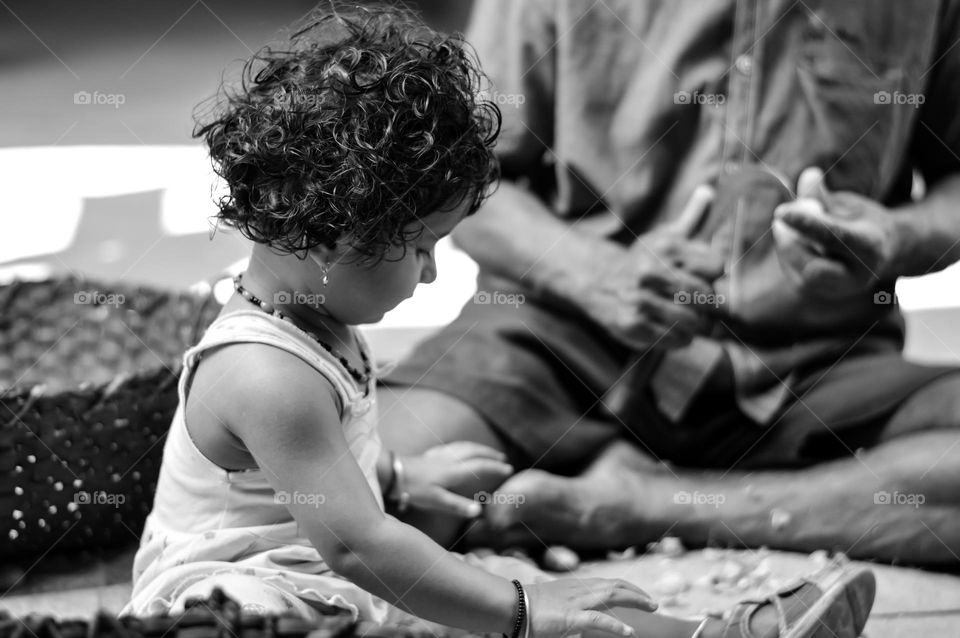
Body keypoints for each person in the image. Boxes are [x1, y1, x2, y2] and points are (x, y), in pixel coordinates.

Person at [120, 4, 876, 638]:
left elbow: (315, 476)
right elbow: (356, 543)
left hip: (322, 579)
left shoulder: (316, 317)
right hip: (241, 595)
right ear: (324, 236)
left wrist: (400, 477)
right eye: (419, 248)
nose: (432, 271)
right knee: (496, 601)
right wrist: (520, 610)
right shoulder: (262, 373)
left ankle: (724, 633)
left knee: (512, 595)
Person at [379, 0, 960, 566]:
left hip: (820, 365)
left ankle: (644, 504)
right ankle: (805, 500)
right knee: (375, 488)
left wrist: (897, 237)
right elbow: (468, 177)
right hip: (561, 337)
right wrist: (594, 274)